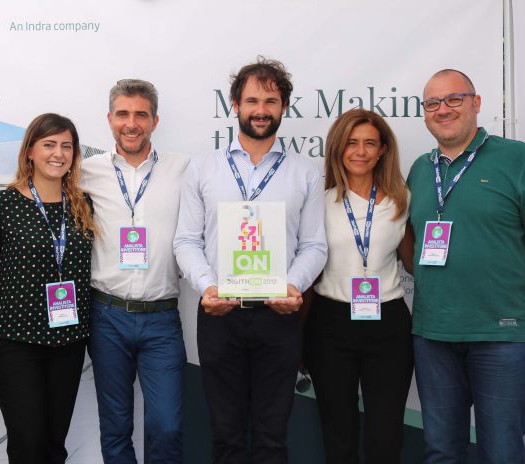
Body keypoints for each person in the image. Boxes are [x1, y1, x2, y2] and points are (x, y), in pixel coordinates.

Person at [173, 57, 327, 464]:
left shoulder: (305, 172)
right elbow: (186, 240)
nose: (261, 110)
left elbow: (315, 246)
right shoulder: (202, 168)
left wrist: (291, 286)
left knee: (272, 438)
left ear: (284, 107)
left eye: (271, 101)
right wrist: (208, 287)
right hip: (220, 315)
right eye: (252, 101)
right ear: (235, 105)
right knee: (226, 437)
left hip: (279, 317)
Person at [408, 69, 525, 463]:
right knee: (441, 451)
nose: (443, 109)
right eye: (432, 103)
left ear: (476, 103)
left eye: (453, 99)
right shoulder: (420, 170)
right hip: (433, 335)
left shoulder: (517, 159)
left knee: (502, 451)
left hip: (502, 334)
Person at [81, 79, 188, 463]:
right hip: (106, 316)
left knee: (167, 425)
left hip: (161, 318)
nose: (131, 124)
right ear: (109, 119)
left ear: (154, 121)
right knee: (115, 426)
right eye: (122, 114)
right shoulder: (85, 171)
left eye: (141, 115)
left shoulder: (183, 169)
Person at [0, 113, 95, 463]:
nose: (58, 153)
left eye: (66, 146)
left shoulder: (83, 205)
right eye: (49, 145)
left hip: (68, 340)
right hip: (15, 341)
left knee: (53, 445)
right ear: (30, 150)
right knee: (27, 444)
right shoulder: (2, 205)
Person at [304, 109, 414, 464]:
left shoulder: (402, 199)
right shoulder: (318, 202)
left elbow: (414, 263)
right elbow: (307, 271)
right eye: (352, 143)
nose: (361, 152)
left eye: (370, 143)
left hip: (388, 324)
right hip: (330, 324)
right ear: (338, 148)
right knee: (339, 435)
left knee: (386, 436)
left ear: (382, 150)